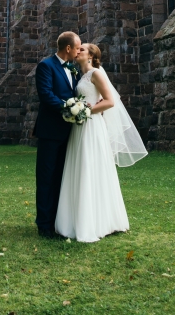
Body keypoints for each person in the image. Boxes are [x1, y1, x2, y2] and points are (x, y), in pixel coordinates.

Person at [55, 43, 148, 242]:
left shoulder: (96, 73)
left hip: (92, 125)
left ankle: (98, 222)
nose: (78, 51)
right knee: (80, 167)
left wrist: (85, 110)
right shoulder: (80, 76)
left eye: (82, 49)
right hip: (80, 126)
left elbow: (109, 101)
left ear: (91, 56)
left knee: (91, 167)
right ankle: (75, 219)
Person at [34, 31, 81, 238]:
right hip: (50, 131)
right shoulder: (46, 66)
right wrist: (69, 107)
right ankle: (44, 224)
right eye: (77, 47)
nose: (79, 51)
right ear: (68, 48)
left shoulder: (74, 69)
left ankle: (58, 222)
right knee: (46, 178)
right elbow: (46, 95)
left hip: (69, 133)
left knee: (62, 177)